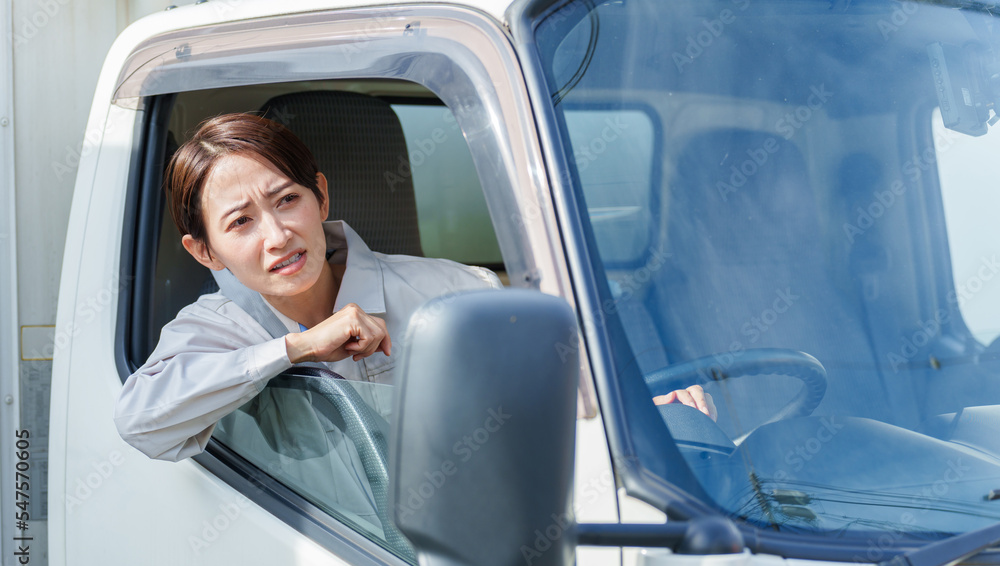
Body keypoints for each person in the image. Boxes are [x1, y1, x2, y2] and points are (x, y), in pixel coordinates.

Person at [114, 112, 714, 463]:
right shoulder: (215, 329)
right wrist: (298, 348)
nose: (276, 235)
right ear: (204, 250)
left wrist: (644, 412)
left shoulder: (456, 290)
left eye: (287, 200)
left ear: (320, 195)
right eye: (240, 222)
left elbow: (565, 393)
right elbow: (141, 422)